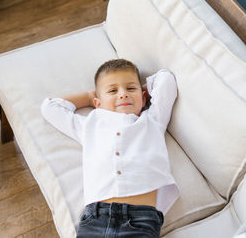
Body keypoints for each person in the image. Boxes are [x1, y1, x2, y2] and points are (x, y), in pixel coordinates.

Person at [41, 59, 179, 237]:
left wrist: (140, 93)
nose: (123, 94)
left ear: (144, 96)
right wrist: (89, 96)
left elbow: (166, 80)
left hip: (140, 220)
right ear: (98, 104)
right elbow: (50, 108)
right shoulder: (89, 126)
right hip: (96, 217)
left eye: (130, 88)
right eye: (113, 91)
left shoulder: (152, 120)